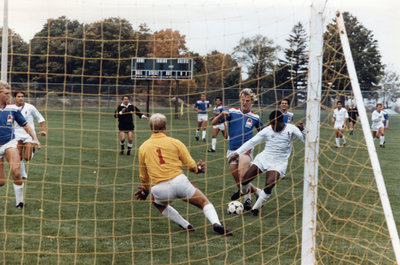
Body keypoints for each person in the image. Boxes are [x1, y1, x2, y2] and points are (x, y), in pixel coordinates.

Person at [135, 113, 232, 236]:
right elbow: (190, 164)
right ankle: (216, 223)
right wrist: (197, 169)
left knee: (157, 203)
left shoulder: (143, 147)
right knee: (204, 202)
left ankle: (185, 224)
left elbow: (143, 175)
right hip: (180, 183)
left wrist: (146, 190)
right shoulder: (175, 142)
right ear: (165, 127)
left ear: (150, 128)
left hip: (160, 189)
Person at [228, 110, 305, 216]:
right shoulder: (267, 130)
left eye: (274, 124)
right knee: (245, 180)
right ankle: (243, 191)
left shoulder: (292, 129)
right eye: (271, 123)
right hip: (264, 158)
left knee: (269, 184)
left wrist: (303, 130)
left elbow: (305, 139)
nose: (272, 126)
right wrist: (237, 153)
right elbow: (252, 141)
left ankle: (256, 208)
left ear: (282, 122)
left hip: (279, 162)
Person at [212, 88, 263, 211]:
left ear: (251, 102)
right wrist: (220, 115)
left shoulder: (255, 117)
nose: (245, 103)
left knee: (243, 174)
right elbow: (213, 123)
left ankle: (247, 200)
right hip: (232, 150)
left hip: (246, 150)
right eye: (243, 100)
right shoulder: (232, 112)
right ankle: (257, 192)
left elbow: (263, 131)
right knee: (238, 181)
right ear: (240, 100)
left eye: (248, 101)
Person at [0, 81, 41, 209]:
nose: (9, 96)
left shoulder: (13, 108)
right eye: (6, 93)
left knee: (16, 172)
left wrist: (35, 139)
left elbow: (25, 124)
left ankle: (20, 203)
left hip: (9, 143)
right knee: (1, 182)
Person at [13, 91, 46, 179]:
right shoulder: (11, 108)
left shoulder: (30, 107)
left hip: (29, 135)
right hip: (17, 134)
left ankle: (32, 150)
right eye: (18, 96)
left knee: (27, 158)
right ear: (15, 98)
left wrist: (43, 130)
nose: (20, 98)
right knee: (18, 155)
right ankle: (23, 175)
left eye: (22, 96)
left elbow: (40, 118)